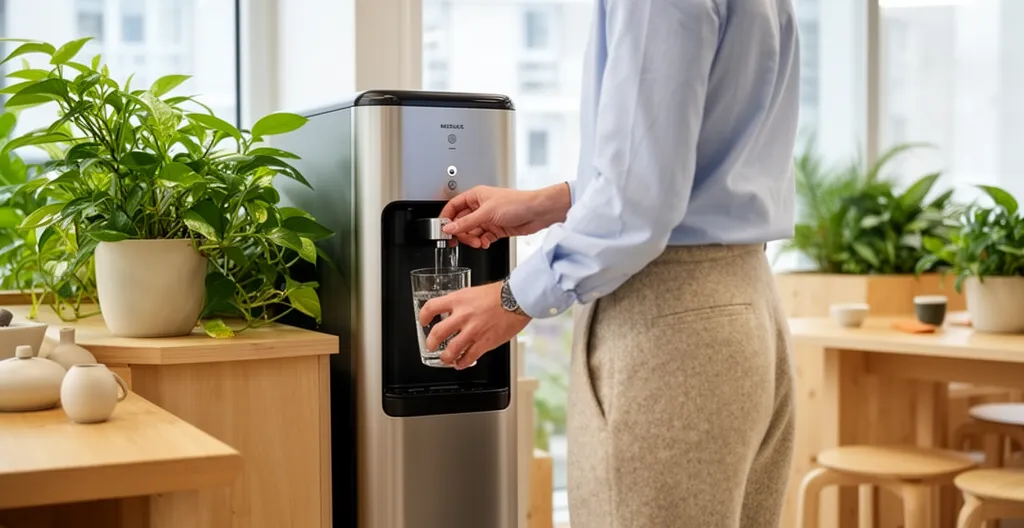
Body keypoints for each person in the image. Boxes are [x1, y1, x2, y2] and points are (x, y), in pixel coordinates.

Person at [418, 0, 800, 525]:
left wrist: (514, 297)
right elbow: (679, 160)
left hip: (668, 319)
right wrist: (552, 202)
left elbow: (636, 202)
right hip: (744, 302)